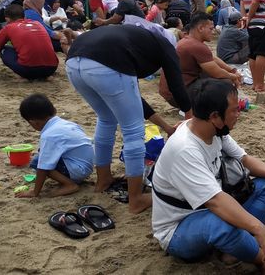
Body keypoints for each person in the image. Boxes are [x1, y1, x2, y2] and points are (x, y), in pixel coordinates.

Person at [151, 79, 265, 273]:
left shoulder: (214, 130)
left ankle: (234, 249)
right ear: (215, 116)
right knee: (223, 223)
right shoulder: (185, 149)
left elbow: (244, 159)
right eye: (234, 109)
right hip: (179, 229)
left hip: (210, 210)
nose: (239, 113)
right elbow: (216, 202)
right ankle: (262, 260)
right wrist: (259, 229)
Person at [67, 24, 192, 214]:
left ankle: (103, 180)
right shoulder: (166, 46)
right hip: (107, 63)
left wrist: (166, 126)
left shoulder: (135, 38)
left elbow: (133, 99)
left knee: (106, 119)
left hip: (73, 61)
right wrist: (191, 117)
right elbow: (177, 87)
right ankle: (136, 199)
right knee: (133, 130)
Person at [15, 94, 94, 198]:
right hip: (87, 166)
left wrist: (35, 192)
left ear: (33, 122)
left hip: (77, 170)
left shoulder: (49, 135)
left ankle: (69, 185)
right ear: (54, 110)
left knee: (37, 161)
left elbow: (43, 166)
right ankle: (68, 180)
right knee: (44, 154)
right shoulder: (67, 124)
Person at [160, 13, 242, 107]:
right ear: (200, 28)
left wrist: (232, 70)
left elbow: (212, 58)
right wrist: (233, 77)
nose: (213, 32)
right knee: (225, 83)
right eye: (211, 29)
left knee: (211, 73)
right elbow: (217, 73)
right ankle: (194, 107)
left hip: (171, 91)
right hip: (177, 95)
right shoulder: (196, 46)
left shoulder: (188, 41)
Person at [0, 5, 58, 80]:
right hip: (51, 68)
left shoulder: (9, 27)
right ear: (24, 16)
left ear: (7, 19)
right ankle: (45, 76)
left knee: (4, 49)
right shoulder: (37, 24)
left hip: (28, 70)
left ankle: (25, 75)